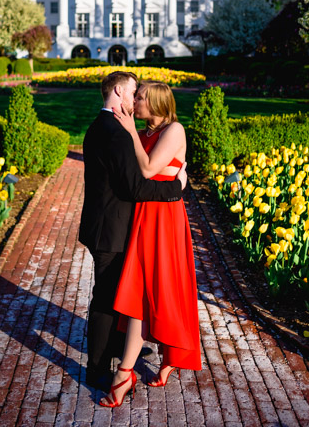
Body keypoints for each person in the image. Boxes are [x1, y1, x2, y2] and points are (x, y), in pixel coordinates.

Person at [79, 71, 187, 395]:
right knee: (106, 299)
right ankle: (98, 369)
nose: (134, 97)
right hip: (109, 230)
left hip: (110, 225)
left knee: (117, 295)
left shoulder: (105, 125)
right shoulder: (114, 131)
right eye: (132, 92)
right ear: (118, 91)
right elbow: (136, 186)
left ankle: (118, 350)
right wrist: (176, 190)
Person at [100, 81, 202, 407]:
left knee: (164, 289)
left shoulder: (174, 130)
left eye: (140, 98)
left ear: (156, 102)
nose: (136, 102)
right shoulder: (143, 134)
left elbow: (147, 169)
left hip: (166, 222)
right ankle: (127, 371)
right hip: (142, 218)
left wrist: (129, 130)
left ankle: (144, 365)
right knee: (139, 292)